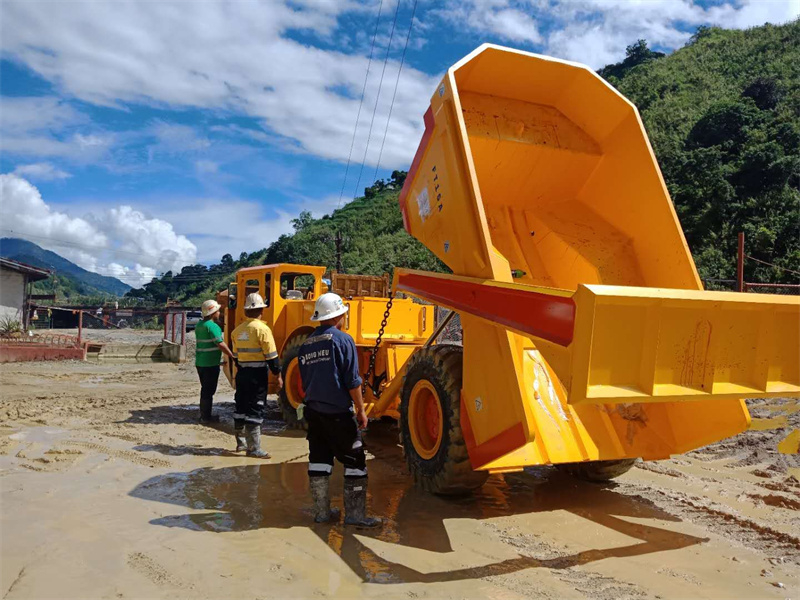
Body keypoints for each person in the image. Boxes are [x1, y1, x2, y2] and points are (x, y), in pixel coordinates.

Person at [298, 292, 381, 527]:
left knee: (319, 460)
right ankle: (355, 516)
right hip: (337, 414)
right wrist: (361, 411)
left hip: (314, 412)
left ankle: (322, 513)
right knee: (355, 461)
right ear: (338, 315)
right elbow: (352, 381)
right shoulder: (343, 340)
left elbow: (304, 383)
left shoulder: (306, 345)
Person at [230, 292, 283, 458]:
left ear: (246, 311)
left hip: (242, 374)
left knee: (241, 407)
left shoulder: (237, 331)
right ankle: (253, 449)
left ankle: (240, 443)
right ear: (262, 310)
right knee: (255, 409)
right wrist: (278, 375)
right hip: (257, 376)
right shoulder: (263, 330)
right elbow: (272, 357)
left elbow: (236, 357)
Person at [194, 299, 235, 424]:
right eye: (217, 311)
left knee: (205, 389)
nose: (219, 313)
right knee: (209, 390)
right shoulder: (213, 326)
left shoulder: (199, 325)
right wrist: (232, 355)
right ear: (213, 313)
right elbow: (220, 344)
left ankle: (204, 415)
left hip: (201, 363)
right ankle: (206, 417)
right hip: (210, 364)